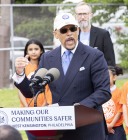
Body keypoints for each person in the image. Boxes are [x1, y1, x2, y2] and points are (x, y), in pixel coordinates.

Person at [13, 12, 111, 140]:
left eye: (73, 29)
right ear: (56, 34)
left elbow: (103, 91)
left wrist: (79, 108)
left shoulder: (94, 55)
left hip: (88, 126)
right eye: (64, 30)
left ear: (78, 30)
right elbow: (32, 90)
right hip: (61, 129)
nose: (69, 33)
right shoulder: (48, 58)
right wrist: (20, 74)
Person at [75, 2, 116, 66]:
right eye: (80, 14)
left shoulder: (103, 34)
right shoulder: (73, 34)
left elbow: (110, 60)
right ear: (76, 16)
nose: (82, 17)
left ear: (91, 15)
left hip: (97, 74)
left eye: (85, 14)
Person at [18, 39, 51, 107]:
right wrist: (26, 107)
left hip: (44, 107)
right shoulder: (23, 67)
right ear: (27, 51)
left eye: (36, 49)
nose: (33, 52)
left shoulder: (46, 66)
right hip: (27, 107)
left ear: (41, 50)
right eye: (30, 49)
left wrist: (44, 105)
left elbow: (48, 89)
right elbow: (20, 90)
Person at [102, 65, 126, 140]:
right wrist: (105, 125)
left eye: (107, 76)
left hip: (116, 128)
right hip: (102, 127)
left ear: (114, 77)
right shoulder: (99, 93)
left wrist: (111, 125)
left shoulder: (119, 92)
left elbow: (120, 111)